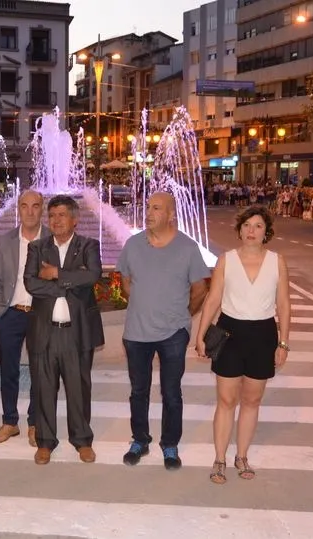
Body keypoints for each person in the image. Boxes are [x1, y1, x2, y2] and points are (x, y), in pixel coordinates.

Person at [196, 205, 291, 484]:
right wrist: (201, 334)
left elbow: (284, 304)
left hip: (263, 334)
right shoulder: (226, 260)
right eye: (247, 225)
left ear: (266, 232)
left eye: (258, 226)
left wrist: (283, 343)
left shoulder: (277, 261)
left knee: (252, 400)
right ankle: (219, 459)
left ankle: (242, 456)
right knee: (226, 400)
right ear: (239, 230)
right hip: (230, 332)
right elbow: (213, 299)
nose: (251, 230)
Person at [117, 192, 211, 470]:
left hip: (173, 333)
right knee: (138, 391)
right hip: (136, 333)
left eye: (156, 208)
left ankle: (170, 444)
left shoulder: (187, 247)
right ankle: (140, 440)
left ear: (171, 215)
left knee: (171, 392)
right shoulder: (133, 245)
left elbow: (200, 289)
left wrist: (182, 316)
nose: (148, 212)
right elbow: (125, 283)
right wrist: (144, 305)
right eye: (148, 207)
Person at [24, 195, 104, 464]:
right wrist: (71, 280)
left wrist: (57, 274)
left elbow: (92, 275)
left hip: (77, 332)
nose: (56, 220)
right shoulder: (37, 248)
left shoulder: (88, 246)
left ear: (74, 219)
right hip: (44, 331)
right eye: (53, 215)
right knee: (44, 387)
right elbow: (31, 284)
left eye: (62, 215)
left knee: (79, 387)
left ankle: (82, 440)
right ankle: (45, 442)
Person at [0, 189, 49, 446]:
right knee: (8, 371)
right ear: (18, 209)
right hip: (10, 314)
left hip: (41, 314)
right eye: (25, 206)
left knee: (40, 371)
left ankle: (34, 423)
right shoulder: (4, 241)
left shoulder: (52, 240)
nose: (30, 211)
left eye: (36, 206)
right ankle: (10, 422)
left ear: (42, 209)